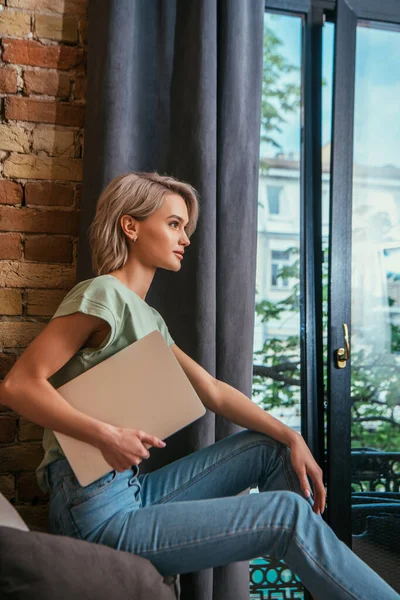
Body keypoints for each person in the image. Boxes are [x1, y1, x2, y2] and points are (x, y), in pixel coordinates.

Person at [1, 172, 398, 600]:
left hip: (130, 494)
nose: (185, 238)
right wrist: (107, 435)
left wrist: (291, 434)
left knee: (269, 448)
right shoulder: (102, 295)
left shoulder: (149, 318)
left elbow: (212, 390)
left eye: (185, 227)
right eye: (174, 224)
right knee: (286, 515)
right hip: (93, 509)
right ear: (130, 226)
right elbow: (19, 385)